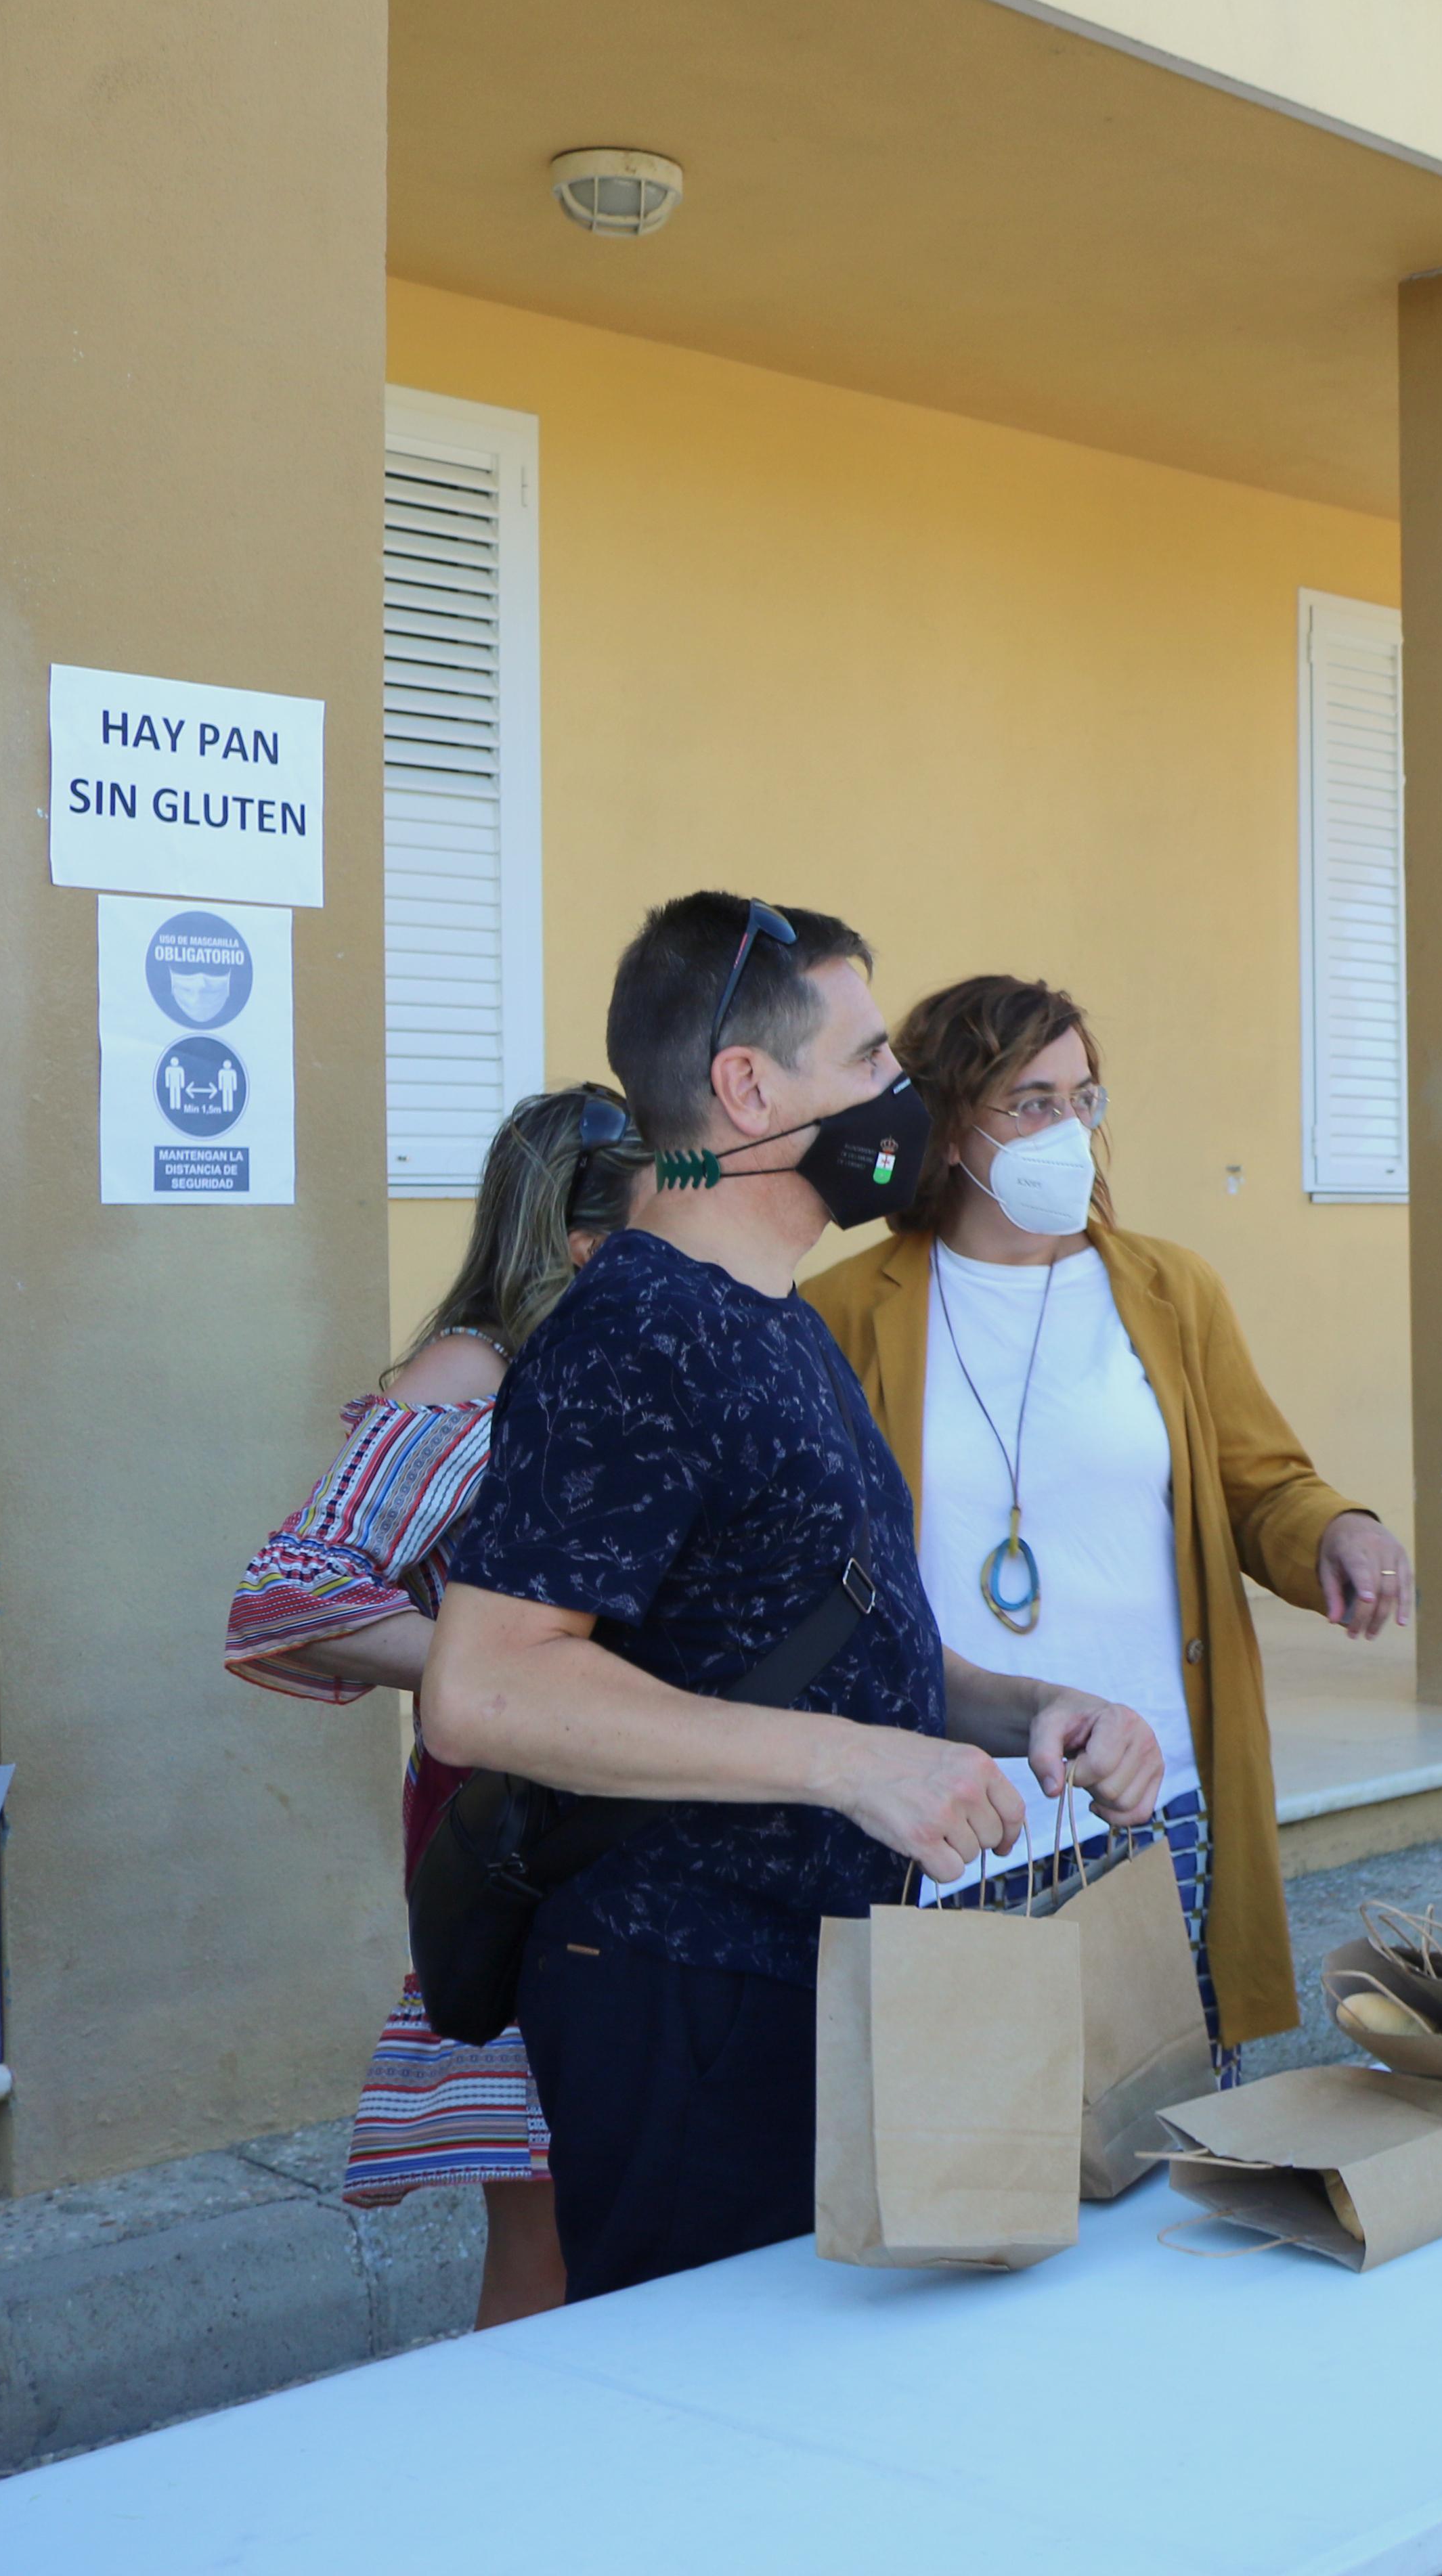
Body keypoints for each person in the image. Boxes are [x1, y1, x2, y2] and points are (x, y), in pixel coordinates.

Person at [423, 895, 1167, 2301]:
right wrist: (857, 1764)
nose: (902, 1095)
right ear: (747, 1089)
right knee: (716, 2457)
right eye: (871, 1055)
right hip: (683, 1990)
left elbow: (821, 1642)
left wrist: (1027, 1710)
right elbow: (487, 1683)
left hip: (802, 1982)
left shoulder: (773, 1318)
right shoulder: (638, 1328)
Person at [804, 973, 1415, 2074]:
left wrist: (1336, 1531)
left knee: (1175, 2160)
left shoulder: (1169, 1289)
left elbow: (1261, 1481)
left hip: (1154, 1808)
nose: (1069, 1129)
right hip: (952, 1821)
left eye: (1085, 1099)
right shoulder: (846, 1314)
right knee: (982, 2173)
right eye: (1030, 1102)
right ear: (948, 1130)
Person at [224, 1083, 642, 2329]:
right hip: (522, 1836)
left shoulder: (622, 1365)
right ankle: (513, 2493)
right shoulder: (475, 1370)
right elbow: (284, 1596)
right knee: (549, 2211)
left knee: (623, 2197)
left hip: (642, 1822)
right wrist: (495, 1668)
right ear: (580, 1242)